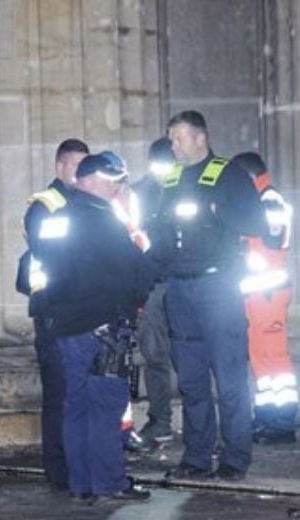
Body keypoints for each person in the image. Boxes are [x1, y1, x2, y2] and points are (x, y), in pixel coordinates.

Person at [146, 111, 272, 481]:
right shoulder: (171, 179)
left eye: (178, 138)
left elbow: (256, 224)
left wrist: (219, 212)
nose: (173, 145)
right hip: (181, 288)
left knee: (229, 378)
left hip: (218, 287)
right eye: (170, 139)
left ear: (200, 138)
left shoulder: (228, 174)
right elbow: (160, 231)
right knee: (192, 379)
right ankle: (197, 456)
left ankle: (235, 457)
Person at [43, 151, 152, 502]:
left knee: (75, 407)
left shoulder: (58, 217)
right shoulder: (102, 219)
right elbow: (133, 271)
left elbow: (47, 265)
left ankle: (81, 485)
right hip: (101, 327)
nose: (119, 189)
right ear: (92, 180)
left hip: (65, 325)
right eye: (115, 182)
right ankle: (108, 483)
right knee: (105, 406)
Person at [17, 138, 88, 493]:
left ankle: (76, 463)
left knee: (76, 392)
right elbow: (58, 255)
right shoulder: (48, 206)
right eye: (76, 166)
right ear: (60, 167)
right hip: (54, 311)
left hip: (77, 311)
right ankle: (59, 468)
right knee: (59, 394)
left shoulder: (84, 202)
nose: (82, 173)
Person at [231, 151, 298, 444]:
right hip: (260, 293)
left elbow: (266, 239)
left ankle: (281, 423)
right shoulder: (263, 198)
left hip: (267, 292)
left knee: (274, 361)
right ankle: (268, 417)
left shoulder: (269, 200)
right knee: (263, 360)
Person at [130, 137, 178, 445]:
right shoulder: (137, 194)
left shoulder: (187, 189)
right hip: (152, 285)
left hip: (184, 281)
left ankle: (202, 426)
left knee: (190, 355)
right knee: (155, 355)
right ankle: (160, 420)